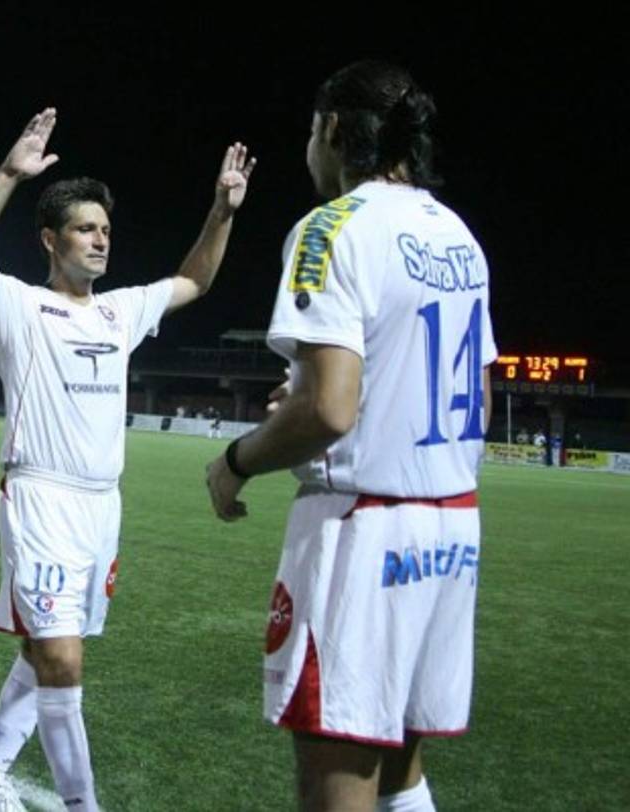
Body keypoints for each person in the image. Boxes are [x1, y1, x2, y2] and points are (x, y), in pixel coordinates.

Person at [0, 108, 254, 812]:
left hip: (101, 508)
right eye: (86, 229)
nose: (100, 240)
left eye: (105, 230)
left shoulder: (120, 312)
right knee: (62, 661)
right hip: (41, 498)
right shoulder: (18, 309)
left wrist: (220, 211)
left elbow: (193, 282)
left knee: (41, 652)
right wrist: (7, 174)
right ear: (51, 239)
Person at [205, 61, 495, 812]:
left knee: (339, 781)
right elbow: (476, 398)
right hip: (451, 532)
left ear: (334, 129)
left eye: (311, 130)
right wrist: (317, 397)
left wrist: (238, 460)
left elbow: (331, 412)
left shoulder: (331, 228)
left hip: (363, 532)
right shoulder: (456, 233)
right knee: (402, 767)